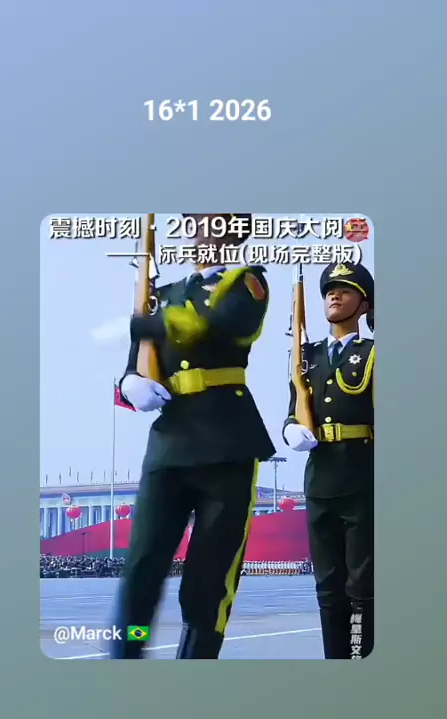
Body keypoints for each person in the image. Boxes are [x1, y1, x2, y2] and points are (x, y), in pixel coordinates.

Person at [111, 214, 276, 659]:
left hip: (227, 443)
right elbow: (134, 365)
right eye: (195, 219)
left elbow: (220, 324)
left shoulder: (247, 283)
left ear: (232, 230)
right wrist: (130, 383)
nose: (200, 226)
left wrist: (147, 321)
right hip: (169, 444)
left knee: (208, 580)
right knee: (141, 570)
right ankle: (126, 658)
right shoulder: (161, 296)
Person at [282, 261, 374, 659]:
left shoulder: (373, 354)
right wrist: (290, 429)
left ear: (364, 305)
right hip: (320, 481)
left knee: (362, 586)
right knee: (328, 587)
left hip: (363, 479)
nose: (334, 295)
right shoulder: (307, 357)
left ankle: (361, 660)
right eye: (329, 291)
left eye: (345, 290)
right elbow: (293, 408)